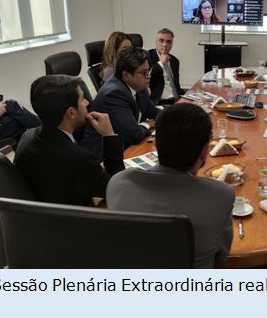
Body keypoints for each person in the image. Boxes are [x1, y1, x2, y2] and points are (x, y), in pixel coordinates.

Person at [107, 103, 234, 268]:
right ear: (205, 151)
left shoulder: (119, 183)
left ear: (155, 144)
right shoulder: (221, 195)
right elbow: (222, 257)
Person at [14, 75, 124, 205]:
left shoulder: (27, 136)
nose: (87, 103)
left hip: (40, 214)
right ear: (71, 112)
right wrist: (109, 135)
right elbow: (117, 190)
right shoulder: (79, 159)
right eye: (83, 99)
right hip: (73, 220)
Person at [81, 46, 158, 157]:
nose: (149, 76)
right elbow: (134, 135)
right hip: (102, 157)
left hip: (125, 146)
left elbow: (151, 110)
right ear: (126, 75)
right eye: (144, 73)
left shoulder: (139, 85)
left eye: (148, 71)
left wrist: (171, 118)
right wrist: (146, 124)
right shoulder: (114, 94)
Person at [149, 28, 185, 104]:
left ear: (172, 44)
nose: (165, 44)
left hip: (176, 101)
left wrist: (186, 97)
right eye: (161, 41)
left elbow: (176, 85)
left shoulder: (175, 60)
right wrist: (161, 63)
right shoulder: (147, 56)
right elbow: (147, 76)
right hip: (158, 103)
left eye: (168, 42)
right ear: (156, 42)